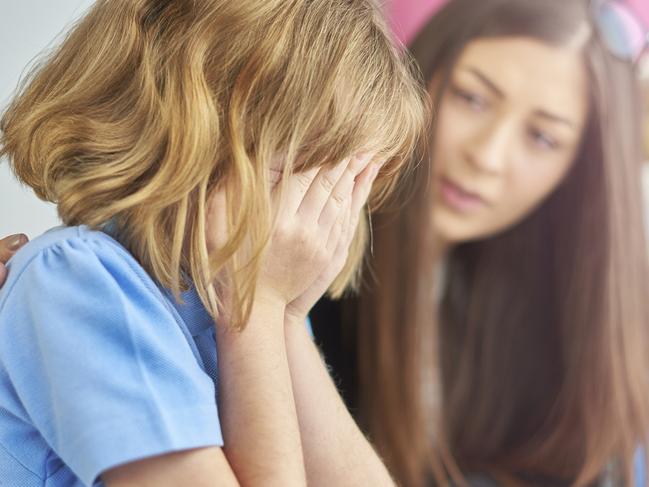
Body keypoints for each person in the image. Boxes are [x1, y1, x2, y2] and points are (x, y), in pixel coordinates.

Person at [0, 0, 425, 485]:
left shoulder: (235, 300)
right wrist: (259, 308)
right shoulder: (76, 279)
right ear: (191, 121)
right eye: (306, 170)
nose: (320, 213)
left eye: (344, 181)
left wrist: (283, 319)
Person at [312, 0, 649, 485]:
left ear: (579, 175)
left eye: (542, 138)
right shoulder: (308, 266)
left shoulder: (557, 323)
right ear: (416, 74)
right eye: (471, 98)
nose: (487, 156)